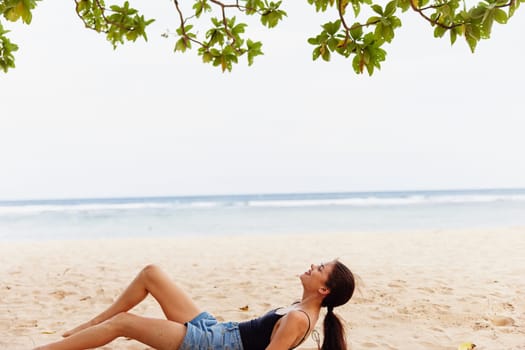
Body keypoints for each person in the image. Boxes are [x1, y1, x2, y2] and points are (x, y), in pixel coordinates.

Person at [34, 259, 355, 350]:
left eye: (320, 269)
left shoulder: (300, 319)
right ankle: (91, 326)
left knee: (125, 324)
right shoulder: (303, 309)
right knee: (152, 273)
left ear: (324, 289)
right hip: (219, 329)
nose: (313, 265)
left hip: (214, 344)